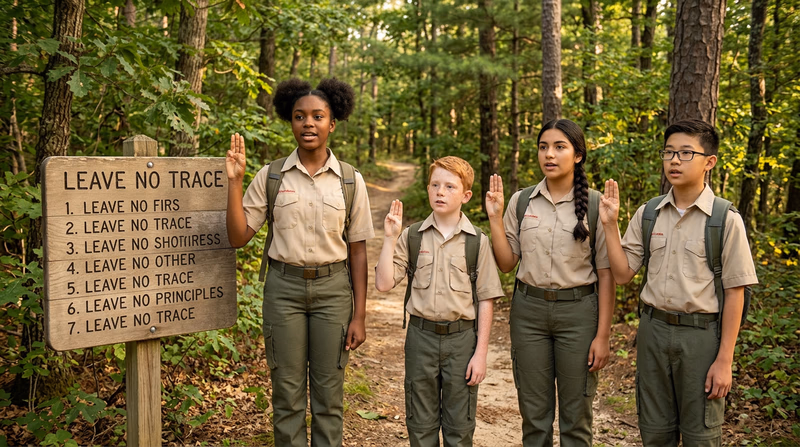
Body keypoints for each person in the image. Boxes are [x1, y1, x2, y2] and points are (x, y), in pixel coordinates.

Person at [226, 78, 374, 447]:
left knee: (329, 397)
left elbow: (357, 250)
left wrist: (359, 315)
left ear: (332, 123)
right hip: (284, 291)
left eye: (317, 116)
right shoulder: (271, 176)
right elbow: (237, 237)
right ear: (290, 122)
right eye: (299, 116)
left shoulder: (350, 181)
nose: (308, 123)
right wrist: (235, 181)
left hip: (333, 293)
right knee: (287, 396)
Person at [600, 119, 758, 446]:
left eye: (686, 153)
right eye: (669, 152)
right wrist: (611, 224)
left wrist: (724, 360)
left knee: (701, 434)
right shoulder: (649, 213)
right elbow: (622, 274)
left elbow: (735, 293)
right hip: (653, 332)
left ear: (709, 162)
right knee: (655, 431)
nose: (674, 160)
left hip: (701, 336)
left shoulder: (724, 219)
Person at [486, 119, 615, 447]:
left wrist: (602, 335)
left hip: (579, 315)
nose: (550, 154)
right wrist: (495, 219)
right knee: (534, 415)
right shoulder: (522, 201)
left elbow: (607, 274)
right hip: (528, 313)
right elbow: (505, 263)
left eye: (560, 147)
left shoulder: (597, 204)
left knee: (576, 417)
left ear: (578, 156)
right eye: (544, 147)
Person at [375, 156, 504, 447]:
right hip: (421, 338)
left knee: (459, 428)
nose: (440, 192)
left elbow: (486, 299)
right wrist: (389, 238)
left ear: (466, 195)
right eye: (435, 185)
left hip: (462, 341)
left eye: (449, 186)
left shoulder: (477, 241)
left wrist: (480, 353)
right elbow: (383, 284)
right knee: (420, 426)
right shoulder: (412, 236)